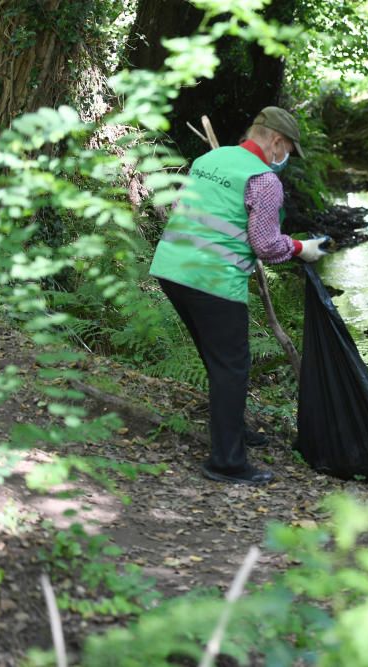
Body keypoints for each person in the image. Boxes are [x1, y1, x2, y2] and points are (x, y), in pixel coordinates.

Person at [149, 106, 327, 485]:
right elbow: (265, 245)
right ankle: (227, 462)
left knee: (219, 362)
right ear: (277, 141)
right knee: (232, 366)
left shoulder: (209, 159)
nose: (287, 160)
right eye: (289, 151)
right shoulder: (263, 180)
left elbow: (186, 212)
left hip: (171, 269)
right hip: (213, 281)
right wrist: (301, 248)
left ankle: (232, 431)